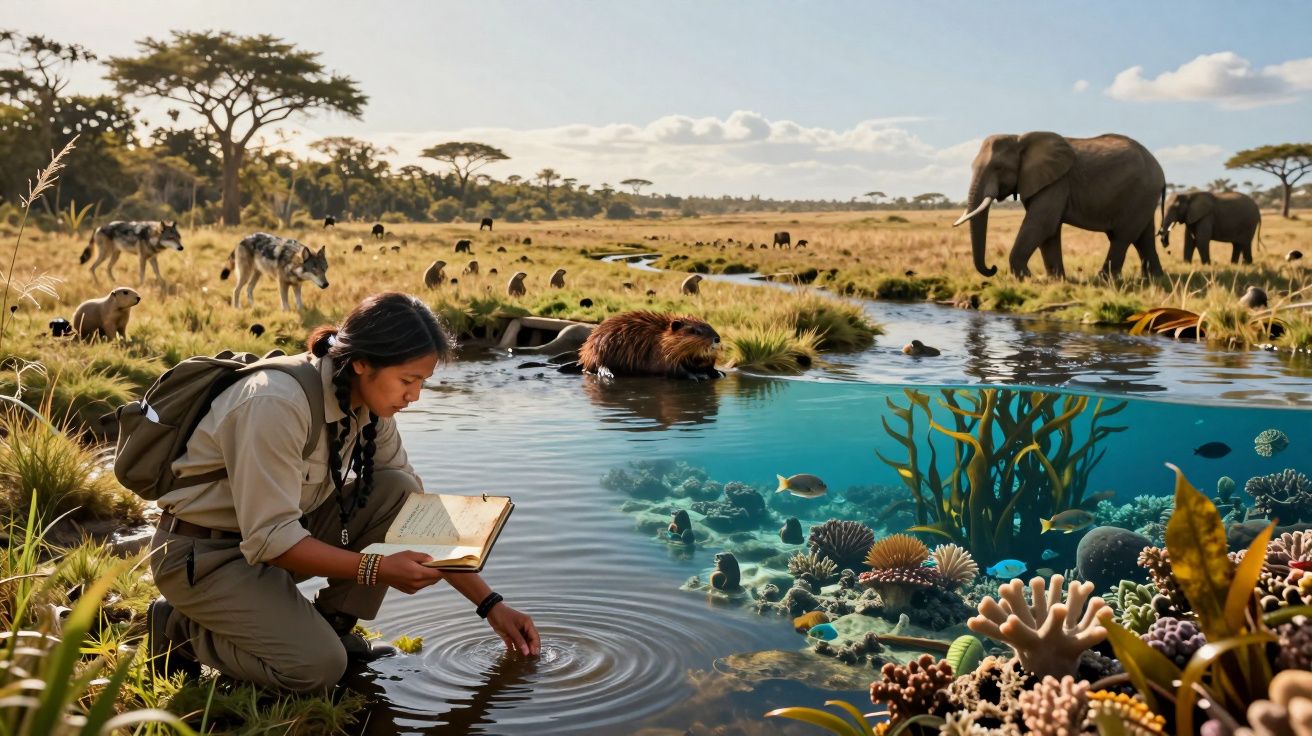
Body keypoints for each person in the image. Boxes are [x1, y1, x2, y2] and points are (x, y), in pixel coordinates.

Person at [146, 292, 540, 692]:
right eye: (407, 381)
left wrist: (491, 605)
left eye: (422, 382)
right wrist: (377, 568)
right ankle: (180, 627)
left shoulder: (369, 402)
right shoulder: (275, 402)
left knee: (400, 490)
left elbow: (417, 515)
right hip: (206, 557)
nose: (415, 396)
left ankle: (331, 628)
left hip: (274, 544)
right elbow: (272, 539)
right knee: (315, 670)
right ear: (362, 362)